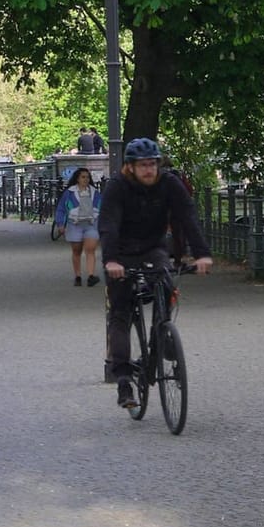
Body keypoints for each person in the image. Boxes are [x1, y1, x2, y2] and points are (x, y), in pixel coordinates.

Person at [99, 138, 212, 408]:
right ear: (130, 167)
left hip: (153, 248)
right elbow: (109, 224)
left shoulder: (169, 183)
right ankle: (124, 380)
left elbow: (188, 216)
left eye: (153, 164)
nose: (149, 170)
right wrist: (111, 260)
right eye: (143, 165)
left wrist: (202, 254)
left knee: (165, 282)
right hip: (122, 252)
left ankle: (162, 335)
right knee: (120, 312)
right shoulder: (117, 188)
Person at [54, 167, 103, 287]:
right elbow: (61, 209)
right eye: (83, 177)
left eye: (87, 177)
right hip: (74, 224)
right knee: (76, 251)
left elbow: (102, 208)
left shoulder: (94, 192)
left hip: (91, 224)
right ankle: (78, 276)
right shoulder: (69, 193)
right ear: (77, 179)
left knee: (90, 249)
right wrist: (60, 224)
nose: (86, 179)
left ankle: (91, 276)